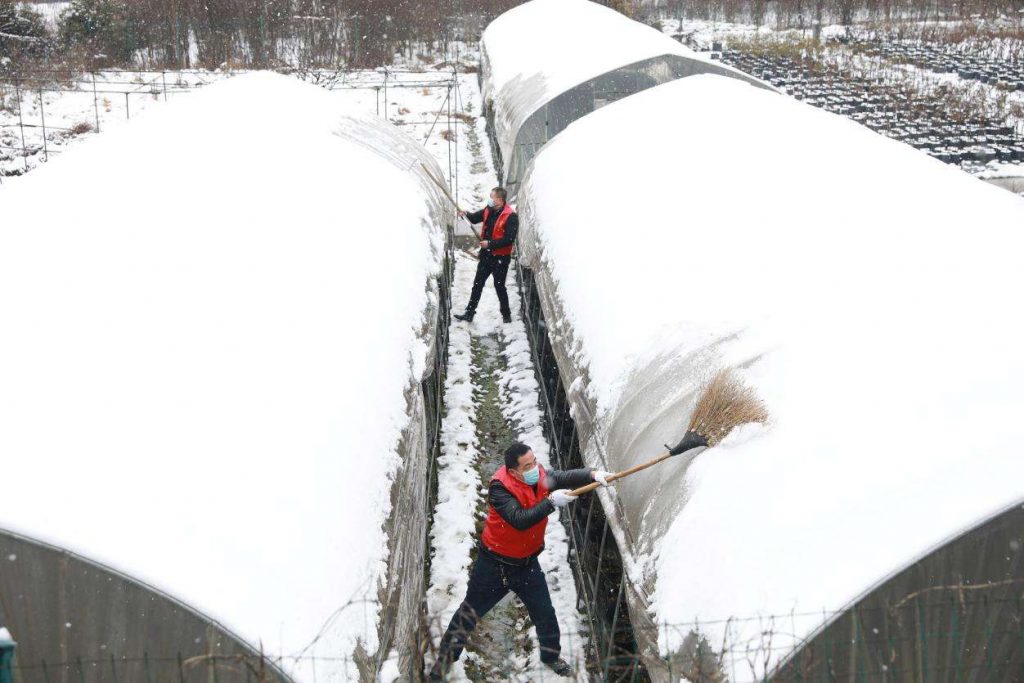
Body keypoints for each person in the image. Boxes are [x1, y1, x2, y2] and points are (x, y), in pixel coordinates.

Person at [429, 443, 612, 680]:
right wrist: (550, 503)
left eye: (534, 461)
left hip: (526, 565)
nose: (535, 468)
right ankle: (444, 661)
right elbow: (518, 520)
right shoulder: (500, 488)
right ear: (513, 471)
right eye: (528, 466)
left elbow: (562, 476)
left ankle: (550, 656)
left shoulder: (539, 477)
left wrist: (593, 474)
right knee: (469, 613)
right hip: (494, 565)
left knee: (544, 613)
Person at [455, 187, 518, 324]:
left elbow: (509, 239)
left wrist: (490, 244)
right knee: (477, 284)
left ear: (499, 200)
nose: (489, 198)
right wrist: (465, 214)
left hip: (500, 258)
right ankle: (469, 313)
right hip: (486, 256)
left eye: (492, 196)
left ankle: (506, 316)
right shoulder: (488, 210)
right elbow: (475, 218)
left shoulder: (510, 216)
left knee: (499, 286)